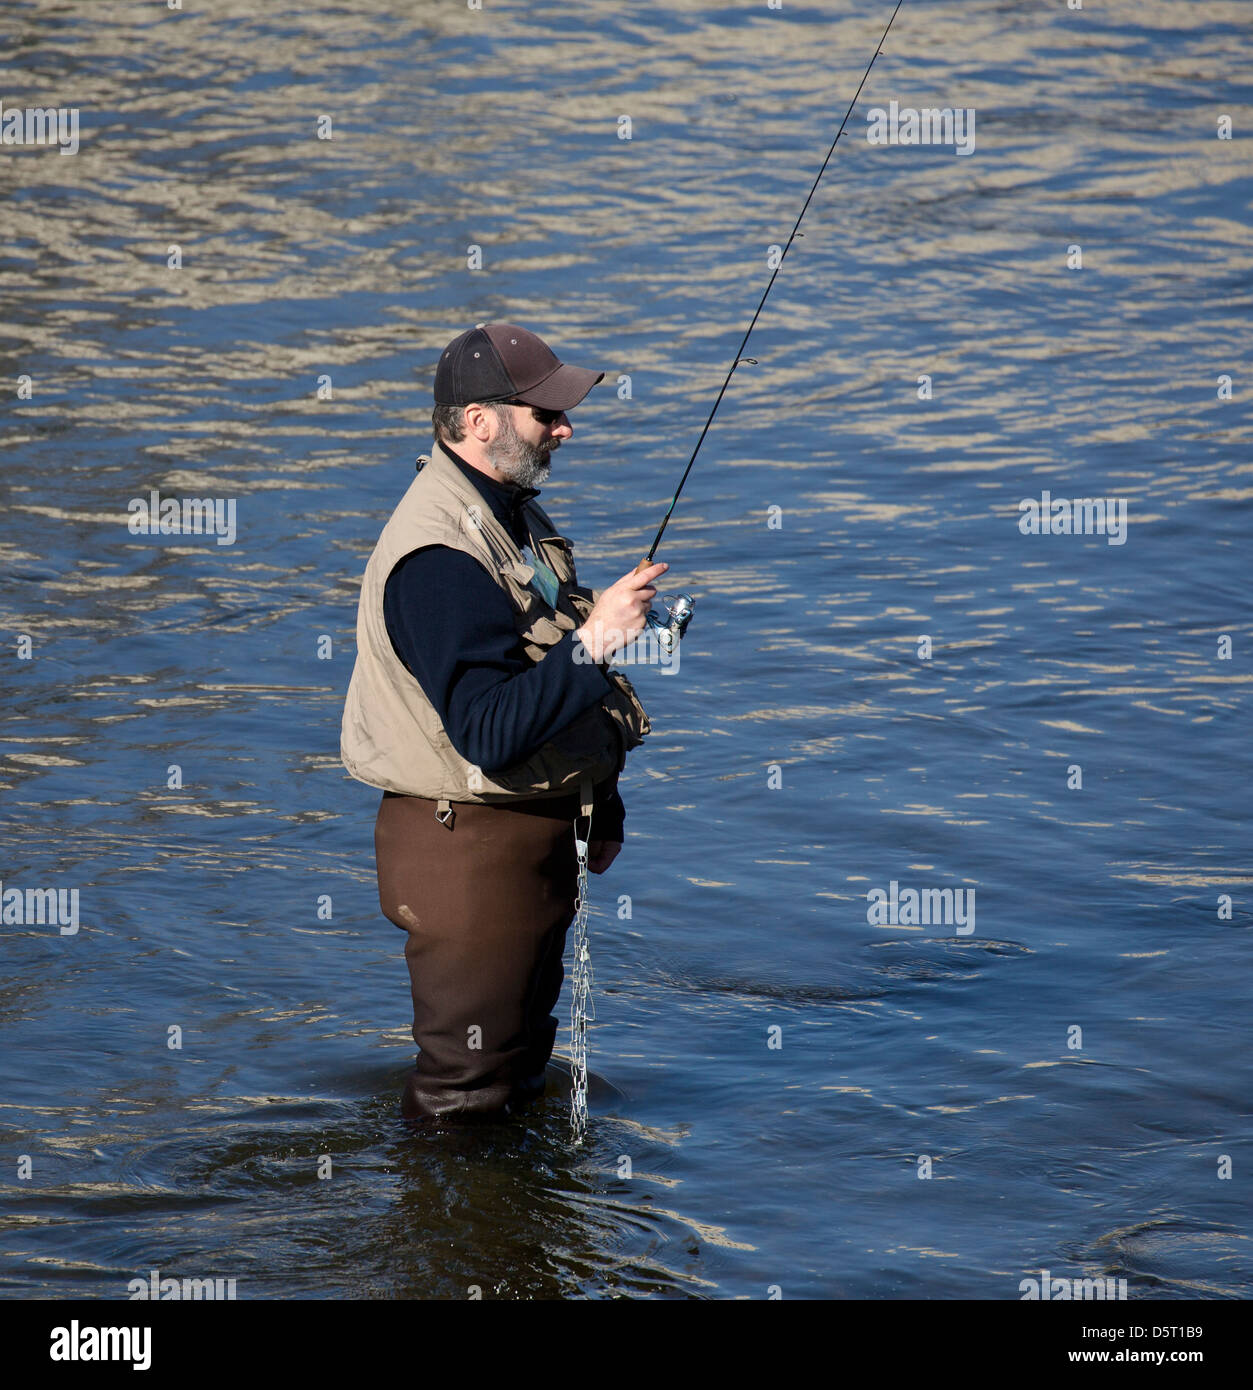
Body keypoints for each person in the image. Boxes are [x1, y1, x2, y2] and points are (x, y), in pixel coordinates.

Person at [341, 322, 667, 1121]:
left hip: (519, 840)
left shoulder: (511, 517)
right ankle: (442, 1242)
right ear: (478, 422)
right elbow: (486, 731)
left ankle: (507, 1241)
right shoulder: (438, 558)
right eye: (544, 413)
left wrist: (600, 798)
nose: (564, 428)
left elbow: (540, 673)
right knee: (464, 1091)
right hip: (465, 852)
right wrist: (596, 643)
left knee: (517, 1075)